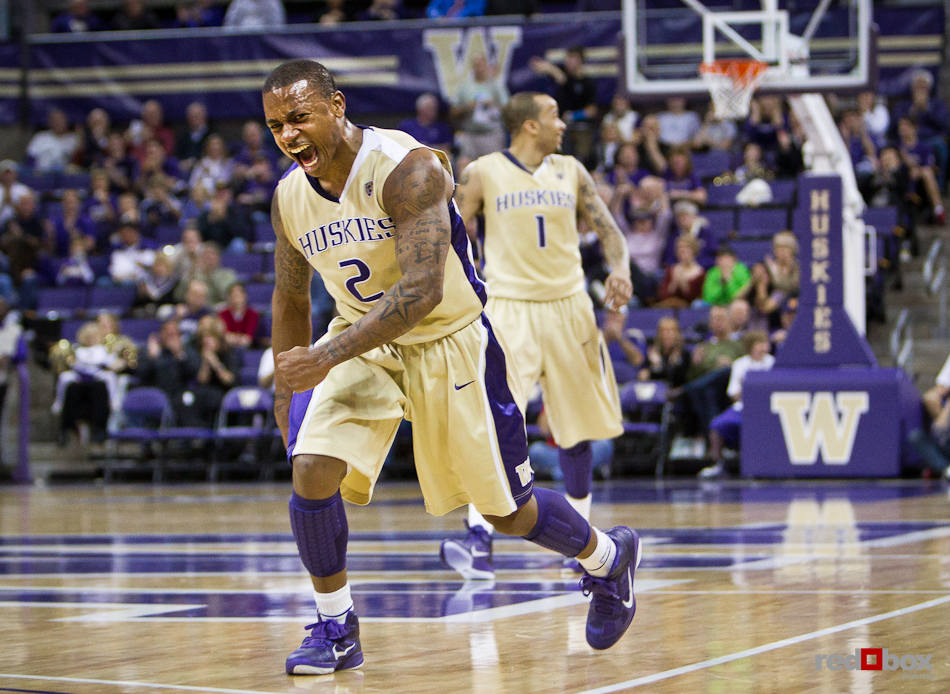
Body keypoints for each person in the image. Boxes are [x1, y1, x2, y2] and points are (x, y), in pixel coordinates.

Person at [262, 60, 641, 674]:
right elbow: (290, 295)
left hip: (449, 338)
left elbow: (421, 294)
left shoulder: (409, 169)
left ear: (336, 105)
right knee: (310, 468)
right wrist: (287, 389)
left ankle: (607, 561)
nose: (287, 134)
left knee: (505, 512)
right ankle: (336, 628)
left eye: (299, 117)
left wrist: (324, 356)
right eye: (276, 124)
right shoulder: (288, 197)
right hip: (362, 339)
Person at [440, 89, 633, 578]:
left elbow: (609, 229)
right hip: (509, 307)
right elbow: (451, 235)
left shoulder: (572, 170)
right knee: (496, 423)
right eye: (553, 116)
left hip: (569, 306)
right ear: (529, 124)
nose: (562, 124)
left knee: (578, 427)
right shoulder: (482, 171)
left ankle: (584, 540)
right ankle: (478, 538)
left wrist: (620, 268)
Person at [698, 330, 774, 479]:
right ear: (751, 346)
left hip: (766, 410)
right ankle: (718, 464)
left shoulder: (772, 363)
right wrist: (751, 391)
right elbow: (733, 393)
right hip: (743, 408)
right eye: (760, 344)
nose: (763, 348)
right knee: (716, 425)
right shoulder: (740, 364)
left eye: (765, 344)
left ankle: (764, 465)